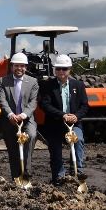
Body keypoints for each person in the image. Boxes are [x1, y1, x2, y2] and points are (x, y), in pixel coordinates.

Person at [39, 54, 89, 185]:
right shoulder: (47, 85)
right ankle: (59, 177)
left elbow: (84, 105)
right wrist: (62, 115)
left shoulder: (78, 85)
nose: (61, 71)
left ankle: (77, 172)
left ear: (69, 70)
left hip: (74, 123)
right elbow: (45, 104)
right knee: (55, 151)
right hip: (54, 124)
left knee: (78, 140)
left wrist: (76, 116)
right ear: (55, 70)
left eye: (64, 69)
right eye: (58, 69)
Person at [0, 53, 39, 180]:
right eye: (16, 65)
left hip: (27, 119)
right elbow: (2, 99)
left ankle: (27, 170)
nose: (19, 68)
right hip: (9, 120)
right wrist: (10, 114)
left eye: (22, 66)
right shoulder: (2, 81)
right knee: (13, 148)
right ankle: (16, 176)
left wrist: (23, 115)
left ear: (26, 67)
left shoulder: (33, 82)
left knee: (31, 135)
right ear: (11, 67)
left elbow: (33, 102)